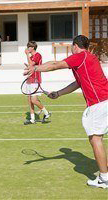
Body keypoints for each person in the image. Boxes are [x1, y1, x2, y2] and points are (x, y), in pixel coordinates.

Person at [24, 35, 108, 189]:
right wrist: (59, 93)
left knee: (96, 140)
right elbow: (78, 83)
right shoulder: (89, 58)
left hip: (99, 102)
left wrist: (34, 68)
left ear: (75, 46)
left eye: (72, 47)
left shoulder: (80, 56)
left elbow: (55, 64)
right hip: (104, 100)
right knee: (96, 139)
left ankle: (104, 178)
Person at [24, 41, 50, 125]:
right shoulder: (31, 57)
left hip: (35, 80)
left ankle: (46, 113)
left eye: (29, 47)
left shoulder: (37, 55)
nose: (28, 48)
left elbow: (31, 64)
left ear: (33, 48)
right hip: (29, 79)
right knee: (30, 100)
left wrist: (27, 55)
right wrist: (26, 71)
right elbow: (30, 67)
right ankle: (32, 119)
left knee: (34, 100)